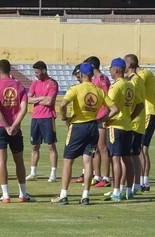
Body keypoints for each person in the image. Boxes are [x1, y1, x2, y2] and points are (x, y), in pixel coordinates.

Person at [51, 63, 117, 205]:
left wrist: (64, 117)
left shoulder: (76, 89)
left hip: (78, 127)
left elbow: (62, 105)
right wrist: (102, 119)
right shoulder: (99, 91)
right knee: (88, 161)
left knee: (68, 160)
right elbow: (114, 109)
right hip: (93, 127)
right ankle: (85, 195)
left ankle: (63, 195)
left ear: (80, 74)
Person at [0, 59, 35, 204]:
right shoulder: (18, 86)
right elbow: (24, 108)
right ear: (10, 71)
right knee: (19, 160)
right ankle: (22, 193)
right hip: (15, 128)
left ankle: (6, 195)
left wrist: (6, 125)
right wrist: (14, 125)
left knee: (2, 161)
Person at [104, 58, 143, 202]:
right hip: (127, 126)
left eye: (111, 69)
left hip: (116, 126)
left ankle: (116, 191)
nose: (110, 71)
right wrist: (130, 117)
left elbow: (113, 109)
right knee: (128, 159)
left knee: (116, 159)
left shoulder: (116, 86)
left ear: (116, 70)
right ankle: (129, 190)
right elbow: (140, 104)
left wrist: (104, 120)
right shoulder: (130, 85)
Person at [126, 54, 155, 192]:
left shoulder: (144, 74)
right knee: (142, 148)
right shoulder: (144, 74)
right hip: (148, 113)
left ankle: (144, 181)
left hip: (148, 113)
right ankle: (144, 181)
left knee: (141, 148)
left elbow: (134, 84)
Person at [26, 61, 59, 183]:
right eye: (34, 72)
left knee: (51, 145)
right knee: (35, 146)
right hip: (36, 118)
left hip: (48, 117)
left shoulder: (52, 83)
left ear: (44, 70)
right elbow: (28, 99)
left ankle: (53, 173)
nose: (35, 74)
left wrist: (36, 100)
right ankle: (33, 172)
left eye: (37, 72)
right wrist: (40, 98)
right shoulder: (34, 83)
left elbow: (49, 102)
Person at [81, 56, 112, 187]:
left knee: (103, 147)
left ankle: (106, 177)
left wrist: (104, 116)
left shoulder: (102, 79)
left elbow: (107, 100)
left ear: (92, 66)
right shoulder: (94, 80)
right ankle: (97, 175)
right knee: (95, 149)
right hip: (95, 117)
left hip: (101, 117)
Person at [125, 55, 147, 194]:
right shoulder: (136, 80)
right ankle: (137, 185)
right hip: (136, 123)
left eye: (125, 63)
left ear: (130, 65)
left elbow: (139, 104)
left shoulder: (134, 81)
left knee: (130, 155)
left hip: (133, 123)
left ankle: (129, 186)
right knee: (134, 155)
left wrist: (130, 117)